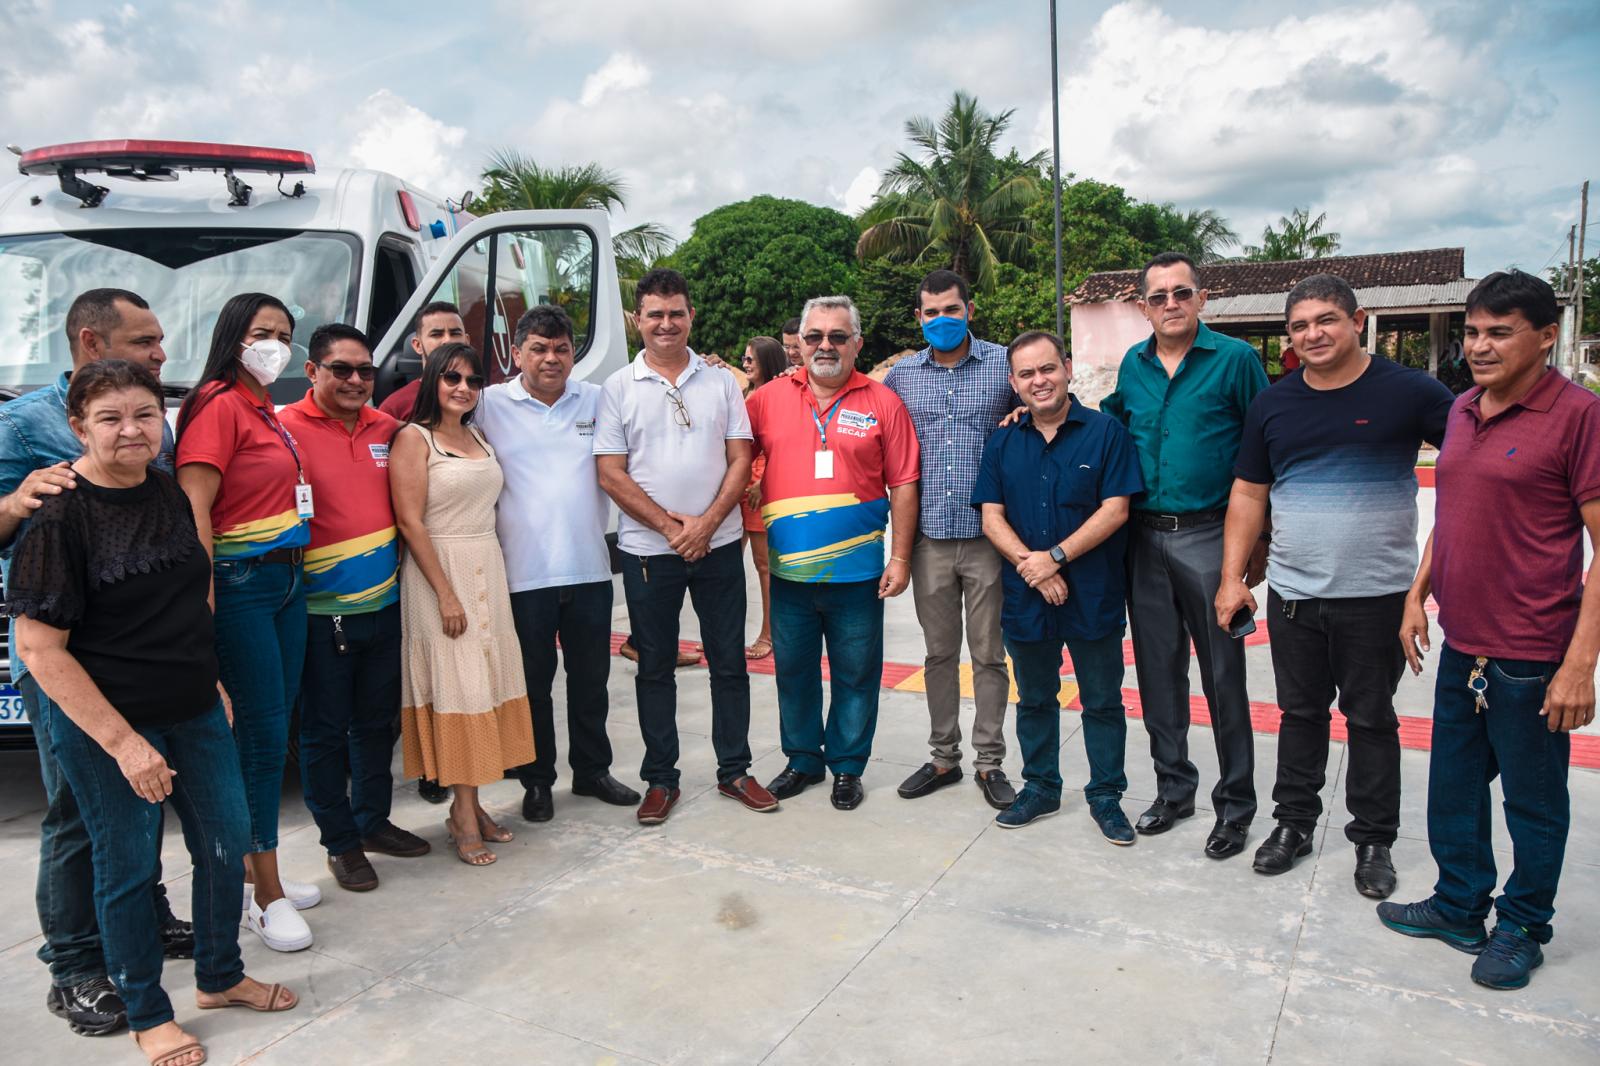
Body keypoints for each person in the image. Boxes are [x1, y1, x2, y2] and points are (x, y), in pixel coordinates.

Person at [10, 360, 298, 1066]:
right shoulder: (59, 516)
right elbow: (41, 651)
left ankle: (219, 976)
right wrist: (124, 744)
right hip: (111, 727)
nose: (131, 430)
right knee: (129, 868)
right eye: (110, 418)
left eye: (144, 415)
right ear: (78, 426)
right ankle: (145, 1009)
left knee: (227, 843)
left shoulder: (169, 494)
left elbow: (190, 595)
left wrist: (212, 679)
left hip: (195, 706)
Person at [1381, 270, 1600, 991]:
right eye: (1473, 331)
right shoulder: (1463, 409)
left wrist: (1579, 664)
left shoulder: (1577, 416)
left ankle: (1524, 925)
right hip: (1464, 642)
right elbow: (1452, 518)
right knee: (1453, 787)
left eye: (1499, 332)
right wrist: (1418, 595)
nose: (1479, 345)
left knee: (1533, 804)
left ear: (1545, 336)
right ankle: (1458, 904)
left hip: (1533, 653)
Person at [1213, 275, 1453, 897]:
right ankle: (1292, 825)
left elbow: (1473, 461)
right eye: (1300, 325)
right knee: (1300, 714)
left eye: (1326, 320)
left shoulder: (1412, 392)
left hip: (1378, 597)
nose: (1312, 334)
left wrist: (1420, 589)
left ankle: (1374, 840)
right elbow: (1248, 491)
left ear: (1358, 320)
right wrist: (1232, 579)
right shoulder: (1275, 402)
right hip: (1294, 593)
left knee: (1370, 719)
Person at [0, 289, 190, 1036]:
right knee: (78, 810)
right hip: (63, 660)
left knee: (142, 797)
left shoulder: (147, 417)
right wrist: (16, 502)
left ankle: (143, 919)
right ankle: (76, 965)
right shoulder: (23, 423)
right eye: (144, 341)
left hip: (140, 652)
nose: (159, 354)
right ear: (90, 342)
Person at [1099, 251, 1269, 860]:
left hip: (1211, 535)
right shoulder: (1133, 366)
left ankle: (1237, 805)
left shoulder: (1236, 361)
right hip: (1142, 539)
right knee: (1157, 675)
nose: (1170, 304)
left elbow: (1264, 452)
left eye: (1181, 292)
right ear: (1143, 306)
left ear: (1201, 298)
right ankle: (1174, 789)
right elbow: (1111, 427)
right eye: (1158, 296)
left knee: (1224, 677)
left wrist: (1258, 545)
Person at [594, 268, 775, 825]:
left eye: (676, 313)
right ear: (637, 320)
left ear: (690, 316)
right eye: (655, 314)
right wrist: (673, 530)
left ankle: (735, 771)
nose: (666, 324)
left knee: (728, 663)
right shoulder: (617, 389)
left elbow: (741, 458)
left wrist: (706, 524)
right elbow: (611, 474)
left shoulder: (722, 384)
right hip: (648, 554)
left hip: (718, 548)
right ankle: (661, 779)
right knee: (653, 668)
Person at [175, 293, 320, 952]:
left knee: (274, 726)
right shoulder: (216, 405)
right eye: (262, 332)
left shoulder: (264, 406)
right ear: (234, 336)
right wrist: (200, 608)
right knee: (260, 743)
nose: (274, 344)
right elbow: (195, 510)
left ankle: (266, 872)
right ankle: (262, 897)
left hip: (287, 577)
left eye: (285, 334)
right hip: (241, 584)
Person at [749, 295, 920, 810]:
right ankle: (802, 760)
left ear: (857, 344)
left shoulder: (883, 402)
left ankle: (847, 766)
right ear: (799, 344)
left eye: (838, 337)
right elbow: (732, 458)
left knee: (855, 674)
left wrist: (901, 558)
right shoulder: (765, 400)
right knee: (794, 673)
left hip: (859, 575)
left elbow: (906, 484)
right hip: (790, 576)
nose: (826, 345)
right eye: (815, 336)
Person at [279, 324, 431, 893]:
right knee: (322, 732)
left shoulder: (390, 431)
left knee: (375, 724)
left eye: (364, 370)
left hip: (386, 604)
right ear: (313, 371)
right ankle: (339, 843)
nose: (355, 380)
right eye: (341, 369)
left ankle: (372, 822)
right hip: (319, 614)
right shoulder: (282, 429)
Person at [475, 306, 641, 824]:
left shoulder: (597, 399)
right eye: (539, 349)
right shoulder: (487, 405)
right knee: (533, 684)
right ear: (517, 353)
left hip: (589, 567)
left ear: (573, 352)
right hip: (523, 575)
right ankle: (537, 780)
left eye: (561, 348)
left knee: (591, 681)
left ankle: (592, 772)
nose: (551, 358)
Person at [972, 332, 1142, 833]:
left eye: (1047, 369)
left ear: (1066, 368)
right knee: (1035, 698)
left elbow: (1116, 509)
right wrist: (1034, 566)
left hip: (1093, 593)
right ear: (1013, 383)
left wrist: (1057, 558)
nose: (1038, 381)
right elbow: (990, 516)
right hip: (1028, 598)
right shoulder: (1003, 439)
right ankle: (1041, 788)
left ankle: (1106, 796)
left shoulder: (1106, 433)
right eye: (1026, 374)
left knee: (1103, 701)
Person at [392, 343, 536, 864]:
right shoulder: (414, 438)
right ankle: (462, 813)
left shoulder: (476, 434)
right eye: (452, 377)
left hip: (486, 567)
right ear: (432, 379)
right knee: (460, 689)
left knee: (488, 684)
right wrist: (447, 593)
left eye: (473, 381)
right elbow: (410, 522)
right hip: (440, 575)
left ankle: (472, 807)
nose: (463, 388)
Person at [884, 268, 1018, 810]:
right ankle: (944, 757)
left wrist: (1023, 412)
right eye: (931, 312)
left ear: (969, 311)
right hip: (928, 541)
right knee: (939, 655)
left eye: (952, 309)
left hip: (989, 538)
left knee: (988, 655)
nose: (942, 319)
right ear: (919, 317)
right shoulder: (901, 378)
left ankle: (990, 763)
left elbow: (1042, 405)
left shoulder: (1002, 365)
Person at [739, 335, 790, 659]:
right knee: (726, 567)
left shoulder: (777, 397)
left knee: (763, 567)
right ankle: (725, 636)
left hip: (759, 490)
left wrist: (764, 483)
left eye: (750, 360)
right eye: (744, 358)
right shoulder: (748, 393)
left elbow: (781, 446)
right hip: (737, 488)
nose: (744, 364)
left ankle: (768, 635)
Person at [377, 301, 468, 422]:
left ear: (467, 341)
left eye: (455, 333)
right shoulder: (395, 408)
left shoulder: (480, 399)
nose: (447, 340)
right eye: (437, 334)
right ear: (417, 345)